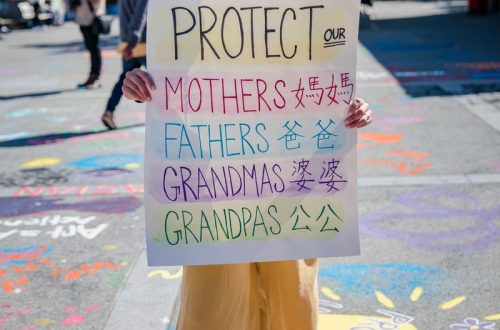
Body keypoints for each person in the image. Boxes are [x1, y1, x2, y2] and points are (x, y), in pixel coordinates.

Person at [122, 68, 372, 330]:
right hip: (216, 194)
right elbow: (167, 73)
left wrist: (354, 109)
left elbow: (325, 78)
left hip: (288, 194)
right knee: (213, 310)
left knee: (291, 307)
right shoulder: (191, 29)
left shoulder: (304, 32)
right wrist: (139, 86)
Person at [101, 0, 147, 130]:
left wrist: (127, 41)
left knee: (124, 79)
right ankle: (167, 114)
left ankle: (109, 112)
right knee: (159, 81)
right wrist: (132, 41)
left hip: (127, 42)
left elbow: (123, 16)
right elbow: (141, 14)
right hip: (140, 43)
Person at [73, 0, 106, 89]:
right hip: (83, 19)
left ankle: (95, 77)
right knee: (92, 50)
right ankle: (93, 76)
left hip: (91, 19)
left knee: (94, 50)